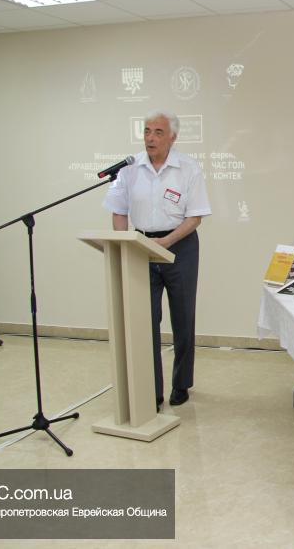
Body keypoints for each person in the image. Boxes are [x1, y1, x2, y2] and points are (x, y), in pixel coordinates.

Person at [103, 110, 212, 409]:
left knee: (183, 317)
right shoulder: (129, 169)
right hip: (142, 247)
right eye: (147, 131)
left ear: (173, 137)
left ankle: (181, 384)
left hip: (180, 247)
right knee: (146, 320)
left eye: (158, 132)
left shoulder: (188, 168)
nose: (150, 138)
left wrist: (167, 241)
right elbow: (118, 210)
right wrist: (124, 244)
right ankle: (151, 389)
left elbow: (195, 217)